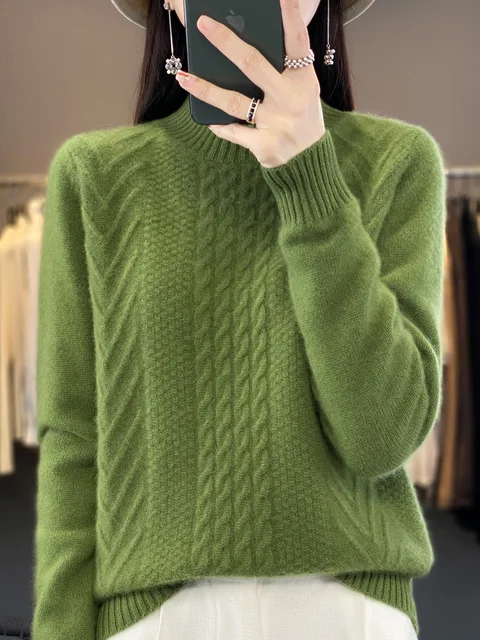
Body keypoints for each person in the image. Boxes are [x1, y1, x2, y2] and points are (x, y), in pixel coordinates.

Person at [31, 0, 447, 638]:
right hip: (155, 616)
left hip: (349, 608)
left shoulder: (398, 161)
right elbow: (73, 438)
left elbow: (382, 437)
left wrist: (310, 177)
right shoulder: (96, 176)